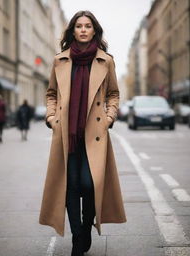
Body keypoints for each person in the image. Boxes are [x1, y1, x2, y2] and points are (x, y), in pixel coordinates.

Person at [39, 10, 126, 256]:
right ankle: (78, 238)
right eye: (79, 26)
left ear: (94, 30)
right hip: (67, 133)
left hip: (94, 133)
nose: (84, 30)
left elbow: (113, 94)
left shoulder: (105, 60)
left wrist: (109, 117)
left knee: (90, 184)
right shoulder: (60, 60)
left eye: (88, 26)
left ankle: (86, 229)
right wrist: (51, 117)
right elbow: (51, 93)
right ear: (73, 31)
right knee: (70, 186)